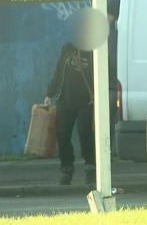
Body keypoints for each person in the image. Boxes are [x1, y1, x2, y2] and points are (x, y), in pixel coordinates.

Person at [44, 38, 95, 186]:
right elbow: (58, 72)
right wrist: (49, 94)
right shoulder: (67, 49)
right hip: (65, 100)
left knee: (85, 133)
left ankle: (90, 168)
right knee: (62, 134)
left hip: (86, 102)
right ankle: (67, 169)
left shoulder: (95, 51)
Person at [108, 0, 120, 154]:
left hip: (111, 84)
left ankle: (108, 151)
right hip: (117, 83)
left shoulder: (112, 33)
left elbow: (112, 58)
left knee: (106, 121)